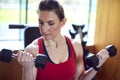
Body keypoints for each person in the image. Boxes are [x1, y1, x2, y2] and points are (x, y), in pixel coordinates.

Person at [17, 0, 109, 80]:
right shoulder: (33, 50)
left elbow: (80, 78)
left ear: (63, 22)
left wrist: (97, 66)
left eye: (51, 23)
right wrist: (28, 69)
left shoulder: (75, 46)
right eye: (41, 23)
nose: (44, 29)